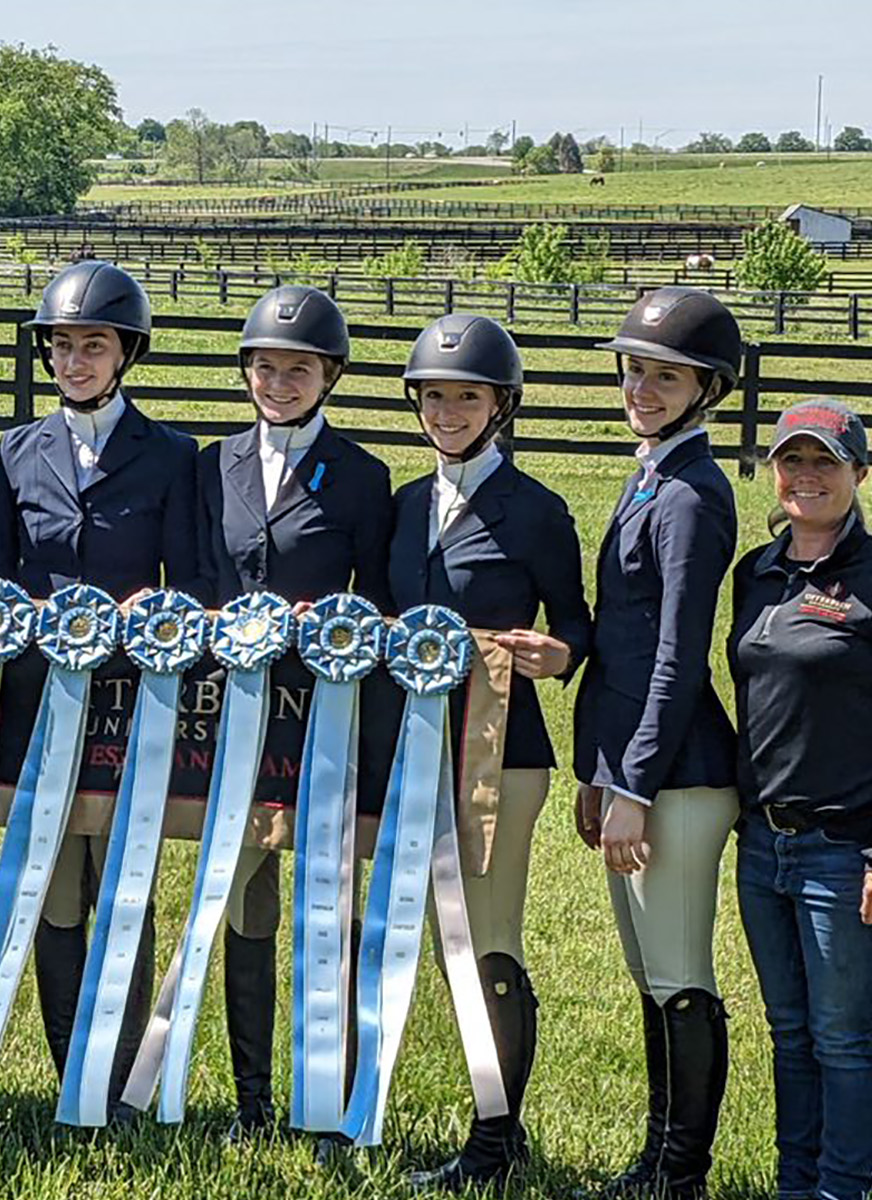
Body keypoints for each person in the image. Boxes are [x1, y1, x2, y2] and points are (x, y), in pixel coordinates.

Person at [0, 259, 198, 1123]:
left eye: (91, 346)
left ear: (125, 353)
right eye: (61, 347)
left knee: (123, 878)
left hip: (130, 700)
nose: (74, 362)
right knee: (53, 879)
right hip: (39, 697)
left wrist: (155, 608)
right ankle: (74, 1068)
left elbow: (187, 582)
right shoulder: (14, 451)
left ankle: (119, 1074)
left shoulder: (172, 456)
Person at [387, 315, 592, 1191]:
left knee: (484, 934)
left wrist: (563, 654)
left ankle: (497, 1140)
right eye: (433, 396)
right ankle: (487, 1121)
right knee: (439, 940)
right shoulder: (403, 505)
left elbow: (576, 620)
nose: (447, 411)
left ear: (500, 404)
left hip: (503, 754)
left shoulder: (538, 511)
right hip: (410, 747)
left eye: (465, 396)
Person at [192, 285, 393, 1140]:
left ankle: (328, 1101)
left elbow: (379, 602)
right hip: (236, 714)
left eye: (298, 368)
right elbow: (198, 582)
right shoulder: (212, 465)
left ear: (329, 375)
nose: (279, 382)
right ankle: (250, 1099)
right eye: (266, 367)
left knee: (328, 903)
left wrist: (332, 633)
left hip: (326, 710)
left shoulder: (365, 477)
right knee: (245, 899)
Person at [729, 400, 872, 1200]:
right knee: (789, 1034)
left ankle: (841, 1189)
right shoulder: (756, 573)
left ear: (860, 473)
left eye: (826, 462)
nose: (807, 476)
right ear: (774, 471)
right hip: (762, 845)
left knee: (842, 1036)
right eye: (794, 460)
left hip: (847, 852)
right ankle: (796, 1184)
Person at [572, 286, 744, 1200]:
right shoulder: (651, 473)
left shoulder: (690, 496)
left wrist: (633, 782)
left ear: (705, 389)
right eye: (635, 370)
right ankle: (653, 1160)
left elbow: (678, 657)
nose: (641, 387)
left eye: (664, 375)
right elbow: (620, 645)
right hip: (635, 768)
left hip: (678, 776)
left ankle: (682, 1174)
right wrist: (598, 773)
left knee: (679, 974)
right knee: (649, 975)